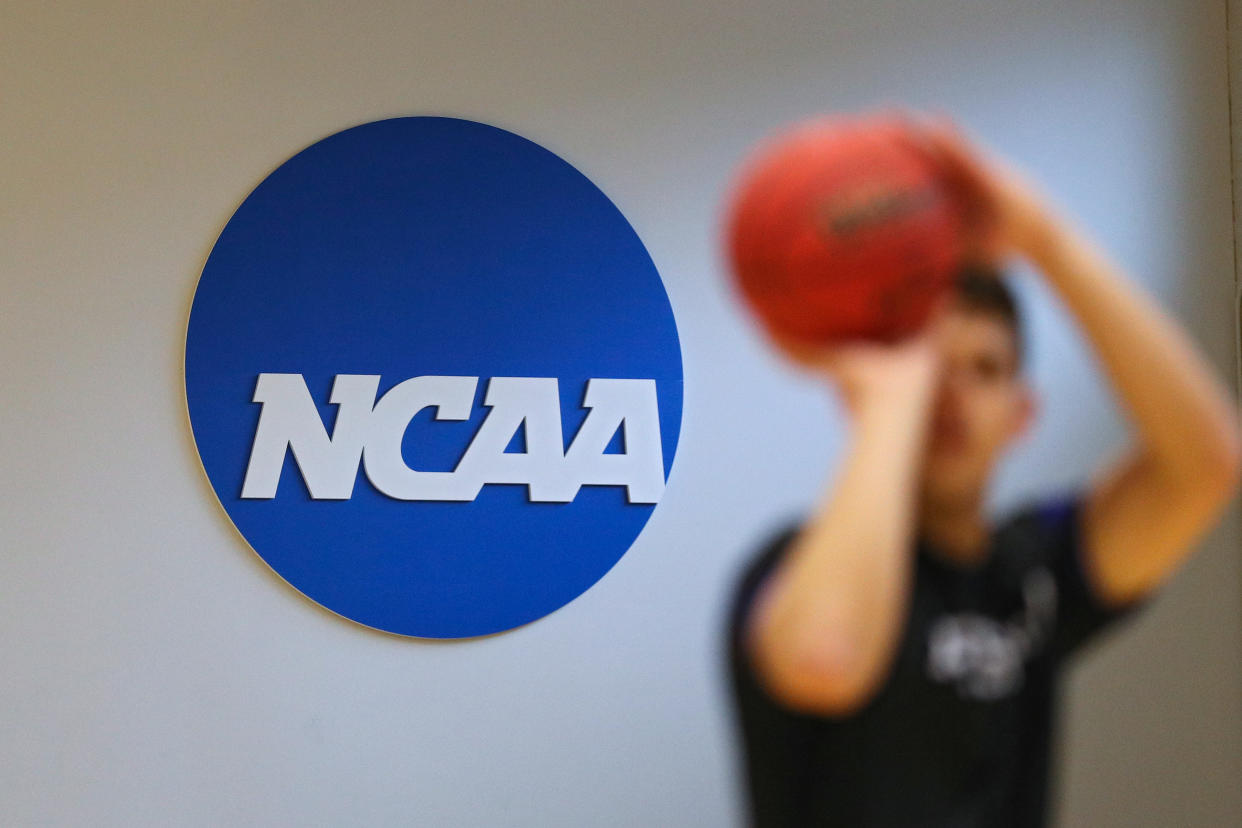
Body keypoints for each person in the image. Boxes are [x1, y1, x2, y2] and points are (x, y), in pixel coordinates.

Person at [725, 117, 1242, 827]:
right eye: (933, 367)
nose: (952, 395)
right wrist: (893, 387)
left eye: (985, 371)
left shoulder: (1034, 572)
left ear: (1022, 414)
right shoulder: (787, 570)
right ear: (875, 394)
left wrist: (1047, 241)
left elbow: (1206, 464)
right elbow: (825, 655)